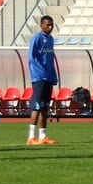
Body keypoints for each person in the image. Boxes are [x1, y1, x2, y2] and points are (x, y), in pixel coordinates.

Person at [26, 14, 60, 145]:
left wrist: (52, 74)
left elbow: (50, 59)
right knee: (37, 106)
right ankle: (31, 136)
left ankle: (42, 136)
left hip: (48, 77)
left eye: (52, 25)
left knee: (45, 107)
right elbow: (31, 57)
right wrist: (40, 70)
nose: (50, 27)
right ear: (41, 25)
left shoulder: (50, 39)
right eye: (48, 25)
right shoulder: (37, 38)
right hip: (39, 77)